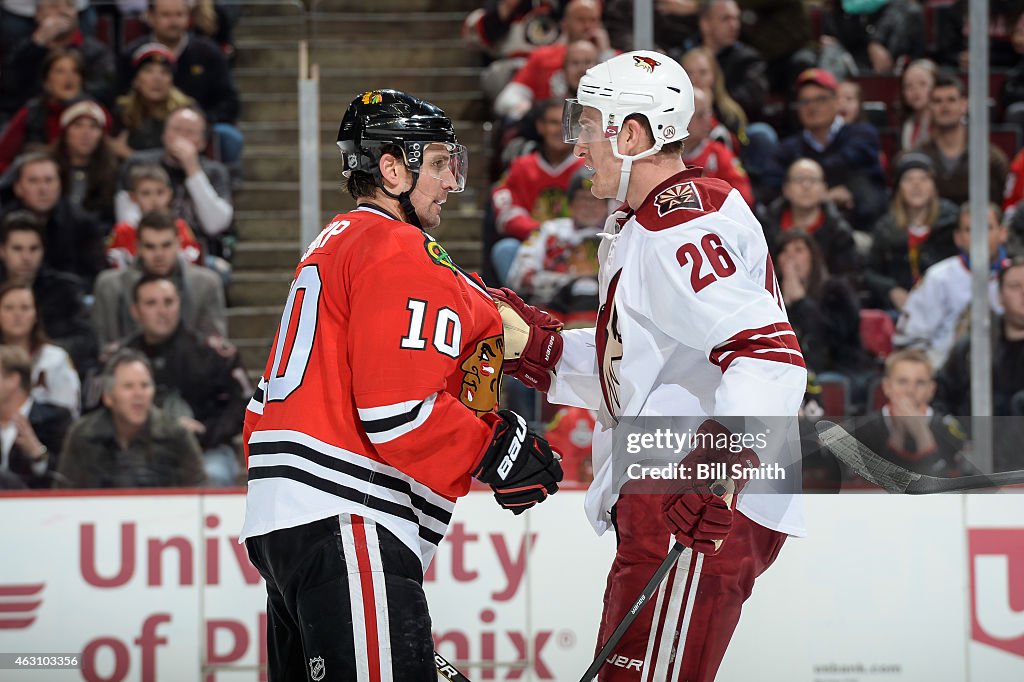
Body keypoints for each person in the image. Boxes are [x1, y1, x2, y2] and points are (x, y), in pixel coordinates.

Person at [498, 51, 806, 681]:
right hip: (668, 486)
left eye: (587, 125)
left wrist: (718, 465)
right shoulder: (645, 222)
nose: (576, 142)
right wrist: (544, 350)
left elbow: (770, 353)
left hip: (690, 493)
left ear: (632, 134)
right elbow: (642, 367)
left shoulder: (678, 225)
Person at [239, 90, 563, 680]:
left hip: (287, 525)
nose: (449, 181)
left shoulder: (335, 243)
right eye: (438, 162)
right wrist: (500, 450)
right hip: (349, 519)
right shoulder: (398, 249)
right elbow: (398, 411)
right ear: (392, 167)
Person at [109, 274, 247, 486]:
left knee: (213, 476)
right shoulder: (117, 360)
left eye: (168, 302)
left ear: (180, 304)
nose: (162, 311)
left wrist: (206, 431)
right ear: (135, 311)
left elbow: (242, 405)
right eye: (151, 303)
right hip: (134, 449)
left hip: (207, 448)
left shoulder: (214, 354)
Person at [57, 347, 206, 488]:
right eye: (128, 386)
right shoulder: (83, 435)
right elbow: (64, 496)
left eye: (145, 385)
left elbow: (202, 493)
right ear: (108, 397)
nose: (138, 394)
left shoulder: (176, 435)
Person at [894, 202, 1008, 369]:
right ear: (958, 238)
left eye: (987, 228)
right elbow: (910, 339)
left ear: (1003, 233)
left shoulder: (1017, 277)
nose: (979, 236)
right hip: (944, 374)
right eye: (970, 230)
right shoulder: (938, 277)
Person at [92, 209, 225, 347]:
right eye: (150, 247)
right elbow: (100, 346)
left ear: (179, 244)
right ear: (138, 247)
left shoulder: (206, 284)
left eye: (166, 245)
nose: (159, 254)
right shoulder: (109, 286)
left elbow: (215, 347)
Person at [0, 210, 96, 380]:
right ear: (2, 251)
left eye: (33, 249)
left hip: (54, 373)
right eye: (17, 249)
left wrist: (42, 353)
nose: (26, 257)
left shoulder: (65, 290)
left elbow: (85, 340)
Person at [864, 152, 959, 311]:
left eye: (924, 179)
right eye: (908, 180)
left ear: (934, 186)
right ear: (898, 187)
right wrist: (891, 290)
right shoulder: (885, 228)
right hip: (900, 310)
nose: (917, 186)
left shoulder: (952, 224)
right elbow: (870, 273)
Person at [912, 72, 1008, 207]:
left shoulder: (992, 159)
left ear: (964, 105)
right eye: (937, 101)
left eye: (951, 100)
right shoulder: (917, 157)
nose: (944, 107)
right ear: (929, 107)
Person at [760, 157, 859, 277]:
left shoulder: (839, 232)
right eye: (799, 179)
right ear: (786, 189)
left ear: (824, 189)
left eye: (813, 180)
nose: (806, 186)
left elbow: (848, 279)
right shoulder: (764, 227)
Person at [0, 282, 80, 417]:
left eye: (25, 308)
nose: (17, 314)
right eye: (9, 308)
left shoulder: (55, 358)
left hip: (47, 431)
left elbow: (68, 410)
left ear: (35, 315)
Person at [0, 48, 87, 173]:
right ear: (47, 81)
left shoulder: (94, 113)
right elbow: (3, 158)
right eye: (60, 72)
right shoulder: (31, 114)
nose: (69, 78)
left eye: (75, 72)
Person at [0, 344, 73, 489]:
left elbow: (68, 475)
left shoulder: (55, 419)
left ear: (13, 380)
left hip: (40, 505)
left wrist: (38, 453)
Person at [106, 163, 202, 268]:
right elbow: (112, 260)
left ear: (169, 194)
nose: (154, 199)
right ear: (133, 197)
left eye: (160, 192)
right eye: (146, 193)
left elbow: (193, 257)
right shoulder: (123, 230)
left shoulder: (180, 226)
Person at [112, 43, 193, 158]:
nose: (157, 79)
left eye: (164, 72)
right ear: (136, 80)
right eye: (148, 71)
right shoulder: (123, 111)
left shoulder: (186, 113)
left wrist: (131, 155)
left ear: (172, 81)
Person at [51, 97, 119, 229]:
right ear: (65, 132)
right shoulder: (46, 167)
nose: (86, 133)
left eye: (93, 127)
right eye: (78, 125)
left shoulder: (112, 172)